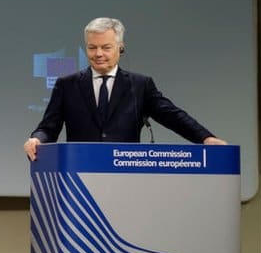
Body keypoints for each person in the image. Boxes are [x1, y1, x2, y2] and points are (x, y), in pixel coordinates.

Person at [23, 17, 226, 161]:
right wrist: (36, 139)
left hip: (126, 175)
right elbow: (48, 127)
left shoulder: (140, 85)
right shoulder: (67, 85)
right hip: (80, 173)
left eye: (106, 47)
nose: (98, 53)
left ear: (120, 47)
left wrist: (204, 138)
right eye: (92, 47)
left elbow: (172, 115)